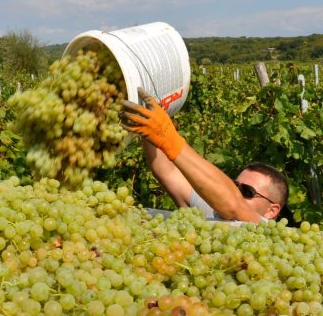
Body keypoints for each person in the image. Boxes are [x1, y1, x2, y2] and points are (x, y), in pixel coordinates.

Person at [121, 88, 288, 223]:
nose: (235, 192)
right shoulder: (212, 211)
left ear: (271, 211)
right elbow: (167, 172)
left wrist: (169, 139)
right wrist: (149, 127)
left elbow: (234, 205)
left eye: (247, 191)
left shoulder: (265, 232)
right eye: (234, 185)